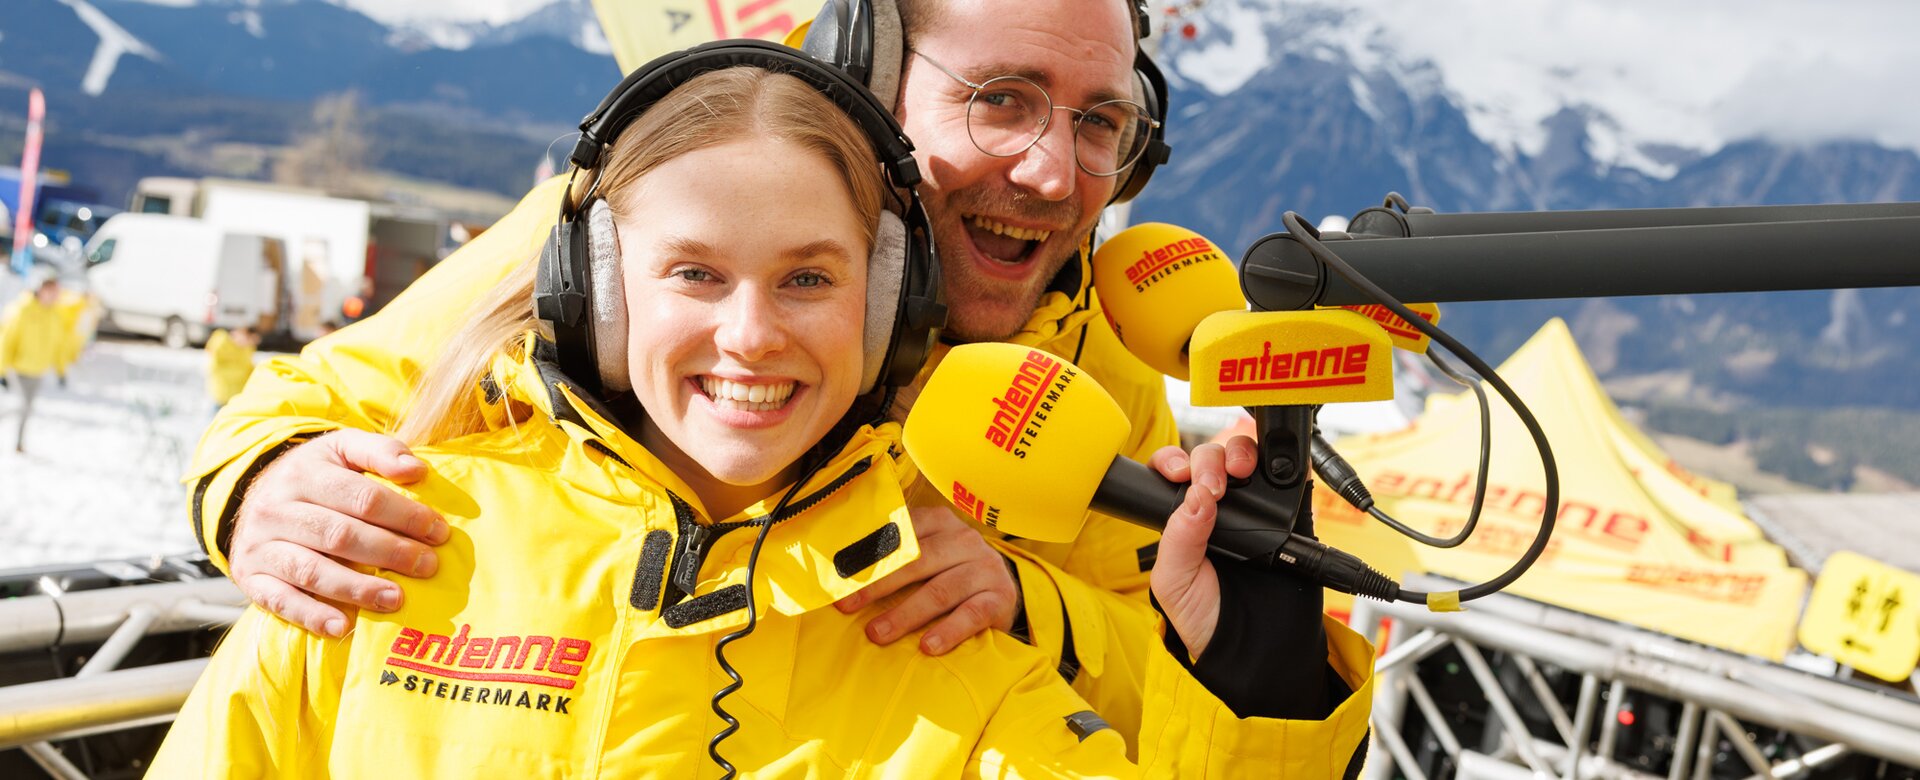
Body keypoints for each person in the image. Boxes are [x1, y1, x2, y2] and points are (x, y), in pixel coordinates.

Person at [185, 0, 1370, 763]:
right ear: (870, 76)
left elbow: (1153, 688)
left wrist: (1035, 606)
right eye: (999, 99)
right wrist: (266, 487)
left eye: (1099, 122)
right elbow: (315, 403)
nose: (1054, 173)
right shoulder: (644, 212)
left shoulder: (1095, 360)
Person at [1, 267, 78, 453]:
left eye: (55, 290)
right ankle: (18, 443)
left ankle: (19, 441)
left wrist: (61, 370)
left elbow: (59, 345)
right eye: (49, 289)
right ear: (39, 289)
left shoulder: (55, 314)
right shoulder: (22, 310)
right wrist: (1, 369)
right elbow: (6, 340)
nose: (53, 294)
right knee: (23, 405)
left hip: (38, 369)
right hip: (19, 368)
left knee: (26, 407)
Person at [204, 324, 260, 407]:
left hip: (238, 397)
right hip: (222, 395)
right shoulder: (223, 343)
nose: (251, 343)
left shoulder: (247, 349)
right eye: (250, 339)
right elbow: (212, 353)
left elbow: (249, 368)